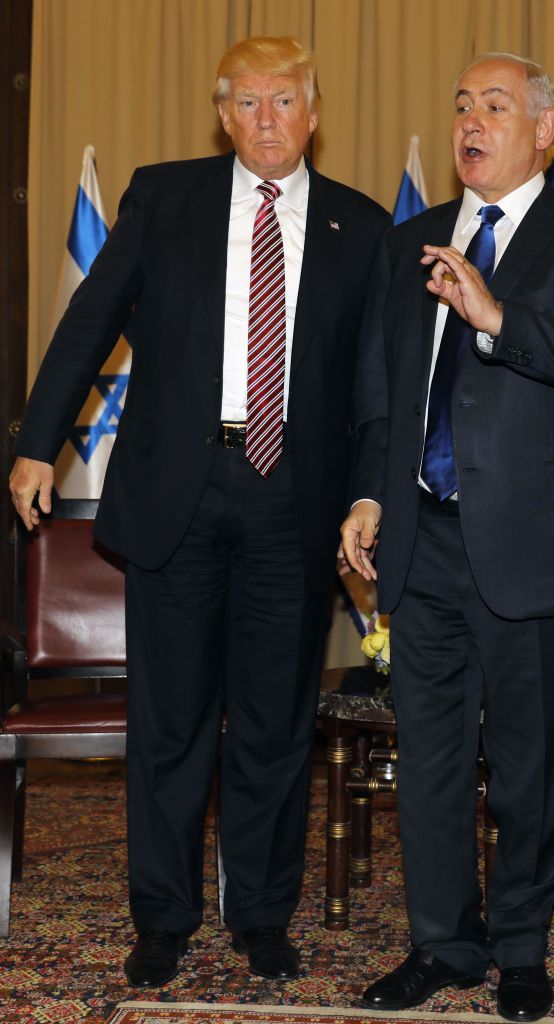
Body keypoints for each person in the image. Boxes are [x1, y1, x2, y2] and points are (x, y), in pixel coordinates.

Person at [10, 36, 389, 989]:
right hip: (180, 488)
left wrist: (366, 489)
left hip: (293, 501)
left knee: (270, 724)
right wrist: (32, 442)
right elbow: (87, 322)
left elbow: (376, 387)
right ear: (224, 115)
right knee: (169, 722)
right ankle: (165, 917)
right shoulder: (163, 195)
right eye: (247, 104)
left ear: (314, 112)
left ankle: (261, 914)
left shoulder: (361, 224)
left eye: (284, 103)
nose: (267, 121)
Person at [340, 52, 554, 1022]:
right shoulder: (413, 239)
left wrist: (495, 314)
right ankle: (443, 944)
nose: (472, 120)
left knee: (531, 768)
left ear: (543, 130)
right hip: (421, 540)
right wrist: (366, 498)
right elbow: (383, 390)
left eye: (496, 105)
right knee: (428, 763)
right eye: (462, 103)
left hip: (538, 547)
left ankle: (519, 950)